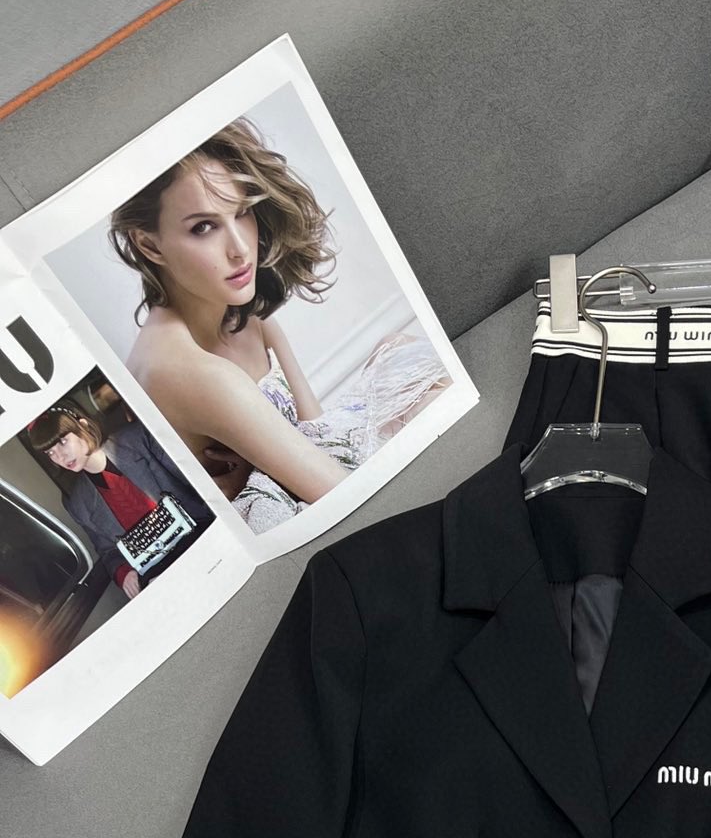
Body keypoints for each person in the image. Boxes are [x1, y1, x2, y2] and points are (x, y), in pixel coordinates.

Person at [109, 116, 451, 533]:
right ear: (149, 244)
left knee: (399, 351)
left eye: (242, 213)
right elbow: (347, 498)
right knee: (430, 389)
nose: (240, 249)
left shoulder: (239, 312)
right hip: (311, 518)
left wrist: (265, 457)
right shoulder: (184, 368)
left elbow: (314, 425)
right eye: (203, 227)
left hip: (314, 474)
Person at [27, 405, 212, 596]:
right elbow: (107, 551)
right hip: (155, 569)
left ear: (83, 426)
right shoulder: (78, 503)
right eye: (50, 452)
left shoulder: (137, 439)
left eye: (63, 442)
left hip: (200, 533)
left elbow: (194, 479)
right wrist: (123, 574)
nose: (60, 456)